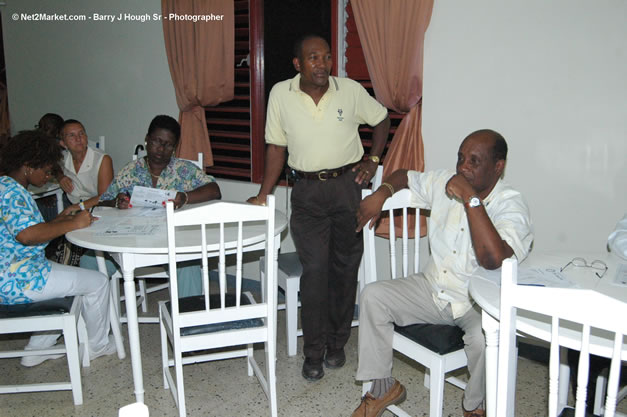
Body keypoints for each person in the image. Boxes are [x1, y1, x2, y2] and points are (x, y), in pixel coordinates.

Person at [351, 130, 533, 417]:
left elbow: (493, 259)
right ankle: (383, 386)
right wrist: (382, 193)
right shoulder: (445, 182)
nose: (463, 167)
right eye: (461, 158)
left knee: (488, 338)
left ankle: (474, 406)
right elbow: (404, 176)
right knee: (373, 296)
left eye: (474, 161)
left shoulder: (510, 205)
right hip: (432, 289)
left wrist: (471, 200)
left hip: (477, 303)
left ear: (498, 167)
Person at [248, 34, 390, 381]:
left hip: (346, 189)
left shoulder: (350, 90)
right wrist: (263, 193)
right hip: (307, 194)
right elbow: (276, 149)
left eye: (327, 57)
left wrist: (372, 159)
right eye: (314, 58)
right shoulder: (281, 94)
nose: (323, 64)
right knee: (315, 272)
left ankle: (337, 343)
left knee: (344, 269)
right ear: (297, 64)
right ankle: (313, 352)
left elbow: (383, 120)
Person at [0, 130, 116, 367]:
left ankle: (37, 349)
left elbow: (27, 229)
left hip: (12, 271)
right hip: (18, 280)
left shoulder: (6, 185)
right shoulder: (13, 194)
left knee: (70, 279)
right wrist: (73, 224)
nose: (49, 176)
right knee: (97, 282)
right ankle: (98, 346)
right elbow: (26, 235)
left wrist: (62, 218)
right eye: (46, 170)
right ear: (28, 166)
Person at [81, 115, 221, 297]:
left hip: (172, 244)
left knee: (188, 265)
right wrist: (117, 202)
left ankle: (188, 321)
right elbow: (104, 201)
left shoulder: (183, 170)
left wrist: (185, 197)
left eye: (168, 144)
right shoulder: (130, 170)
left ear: (175, 147)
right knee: (89, 262)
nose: (161, 149)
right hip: (130, 243)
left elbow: (214, 190)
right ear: (146, 140)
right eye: (156, 141)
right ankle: (99, 322)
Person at [57, 119, 114, 212]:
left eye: (81, 133)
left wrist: (77, 207)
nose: (78, 139)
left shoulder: (102, 159)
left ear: (86, 137)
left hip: (98, 209)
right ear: (63, 143)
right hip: (74, 208)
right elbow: (53, 167)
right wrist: (60, 177)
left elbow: (104, 197)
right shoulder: (63, 158)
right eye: (72, 135)